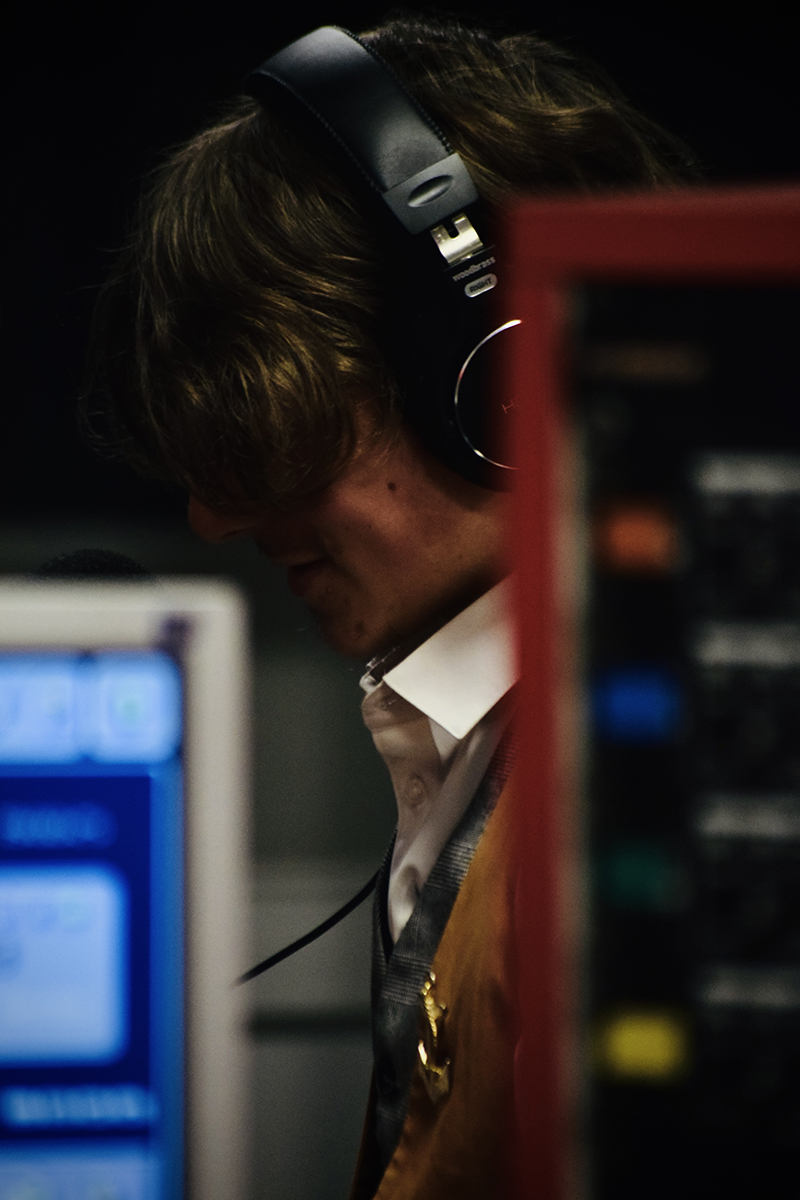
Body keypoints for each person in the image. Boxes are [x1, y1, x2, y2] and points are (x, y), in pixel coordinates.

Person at [89, 14, 697, 1197]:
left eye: (275, 435)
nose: (215, 517)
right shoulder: (500, 750)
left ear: (496, 378)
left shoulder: (638, 800)